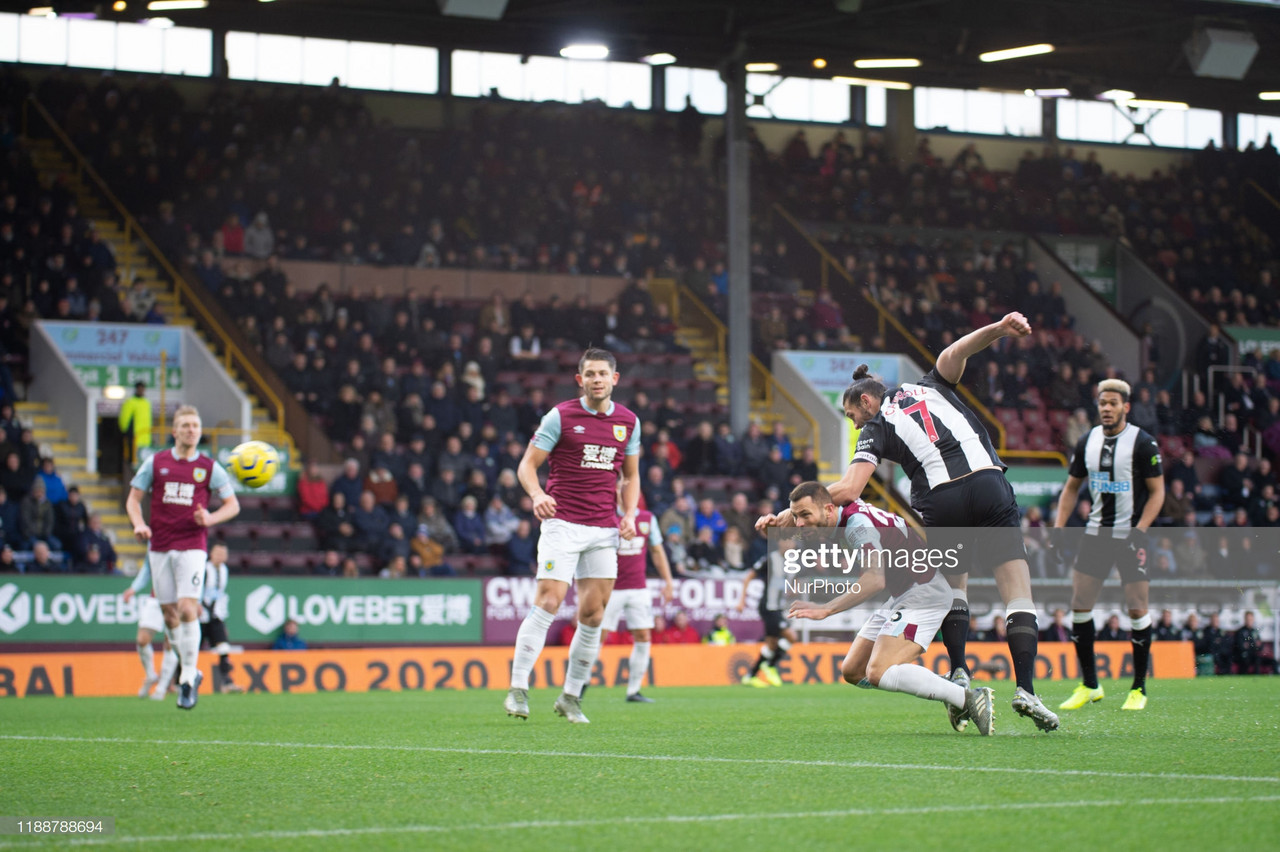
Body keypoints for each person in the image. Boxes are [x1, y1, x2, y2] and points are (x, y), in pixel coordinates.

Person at [759, 312, 1059, 731]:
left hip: (943, 499)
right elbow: (955, 352)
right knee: (1018, 593)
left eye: (851, 416)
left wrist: (787, 514)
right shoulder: (929, 384)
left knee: (956, 588)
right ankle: (1026, 689)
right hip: (989, 482)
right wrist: (998, 329)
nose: (854, 424)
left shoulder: (875, 425)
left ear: (866, 401)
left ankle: (960, 674)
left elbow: (848, 490)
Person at [784, 483, 994, 735]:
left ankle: (968, 698)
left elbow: (875, 580)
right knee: (852, 670)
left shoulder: (857, 526)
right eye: (795, 516)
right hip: (902, 594)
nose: (798, 523)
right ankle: (949, 689)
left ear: (829, 509)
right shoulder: (845, 517)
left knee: (878, 671)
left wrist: (826, 609)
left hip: (924, 592)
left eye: (805, 515)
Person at [504, 349, 641, 724]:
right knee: (548, 601)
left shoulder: (629, 422)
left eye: (603, 374)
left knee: (593, 613)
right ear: (580, 380)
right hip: (562, 522)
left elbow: (630, 476)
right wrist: (537, 494)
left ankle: (570, 696)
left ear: (615, 378)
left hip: (602, 529)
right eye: (590, 374)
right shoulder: (560, 416)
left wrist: (628, 514)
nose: (597, 379)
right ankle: (518, 688)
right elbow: (527, 465)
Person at [1053, 379, 1164, 712]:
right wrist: (1059, 528)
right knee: (1080, 604)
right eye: (1102, 402)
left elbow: (1158, 492)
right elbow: (1071, 488)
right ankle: (1090, 684)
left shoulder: (1143, 443)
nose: (1106, 408)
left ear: (1125, 407)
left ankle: (1138, 689)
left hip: (1130, 535)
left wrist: (1141, 530)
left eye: (1113, 403)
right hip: (1096, 534)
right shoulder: (1087, 441)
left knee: (1136, 607)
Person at [125, 405, 240, 710]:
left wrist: (210, 519)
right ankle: (191, 670)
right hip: (160, 546)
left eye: (195, 426)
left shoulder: (209, 467)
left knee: (188, 608)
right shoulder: (156, 462)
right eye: (186, 425)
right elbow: (134, 499)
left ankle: (188, 677)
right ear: (175, 431)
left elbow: (233, 505)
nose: (191, 430)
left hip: (192, 545)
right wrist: (139, 524)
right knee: (169, 616)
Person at [599, 480, 675, 703]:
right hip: (610, 589)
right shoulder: (608, 518)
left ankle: (633, 690)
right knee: (597, 636)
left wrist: (668, 581)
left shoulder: (647, 519)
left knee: (643, 636)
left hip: (638, 588)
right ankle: (578, 688)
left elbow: (657, 551)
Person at [735, 534, 799, 688]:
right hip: (768, 606)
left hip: (778, 606)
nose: (789, 544)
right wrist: (742, 600)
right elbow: (749, 576)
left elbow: (788, 587)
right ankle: (770, 665)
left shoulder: (794, 563)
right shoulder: (770, 559)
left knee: (771, 644)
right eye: (786, 540)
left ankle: (751, 675)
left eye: (791, 541)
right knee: (791, 636)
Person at [121, 555, 179, 700]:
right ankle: (151, 675)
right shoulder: (156, 540)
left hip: (178, 599)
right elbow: (148, 567)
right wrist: (133, 588)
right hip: (156, 597)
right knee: (142, 640)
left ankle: (162, 687)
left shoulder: (184, 541)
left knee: (170, 643)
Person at [200, 543, 244, 694]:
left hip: (216, 616)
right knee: (191, 649)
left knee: (224, 647)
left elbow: (220, 595)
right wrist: (197, 606)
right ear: (211, 554)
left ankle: (226, 682)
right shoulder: (204, 569)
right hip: (201, 616)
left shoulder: (224, 570)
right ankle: (179, 681)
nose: (220, 556)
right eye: (218, 553)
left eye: (223, 553)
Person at [118, 381, 153, 466]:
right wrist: (126, 432)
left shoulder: (146, 403)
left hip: (146, 439)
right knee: (133, 462)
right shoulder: (130, 402)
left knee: (144, 462)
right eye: (139, 388)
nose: (141, 390)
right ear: (136, 389)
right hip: (134, 437)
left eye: (143, 388)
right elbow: (125, 419)